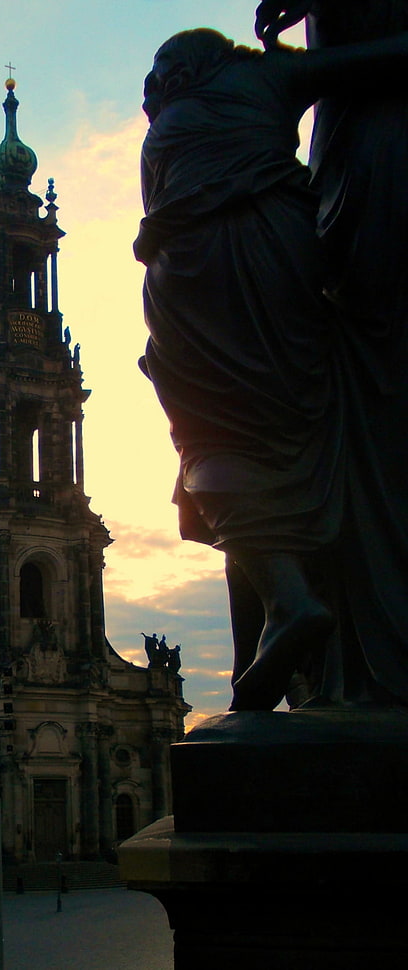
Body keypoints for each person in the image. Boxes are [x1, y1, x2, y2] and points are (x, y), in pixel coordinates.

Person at [135, 26, 408, 710]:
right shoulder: (263, 79)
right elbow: (378, 56)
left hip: (187, 282)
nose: (153, 87)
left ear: (179, 74)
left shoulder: (171, 122)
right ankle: (278, 623)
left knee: (212, 444)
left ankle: (288, 605)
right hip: (278, 257)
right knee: (290, 426)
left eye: (160, 71)